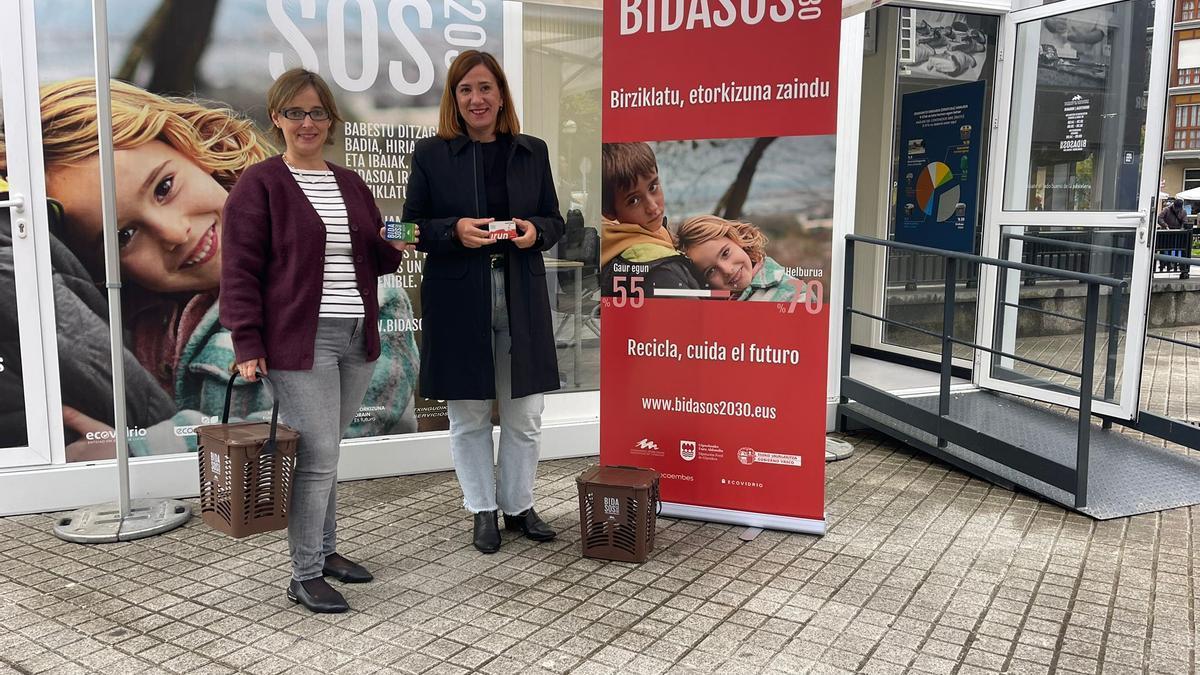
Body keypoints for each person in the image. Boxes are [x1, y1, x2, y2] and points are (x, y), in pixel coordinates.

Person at [11, 78, 419, 460]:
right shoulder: (127, 328)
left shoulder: (363, 292)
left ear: (194, 148)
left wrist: (141, 449)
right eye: (125, 235)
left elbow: (336, 425)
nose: (174, 232)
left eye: (164, 187)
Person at [221, 68, 417, 613]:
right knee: (319, 453)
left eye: (317, 112)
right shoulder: (259, 185)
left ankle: (326, 553)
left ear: (330, 119)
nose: (307, 123)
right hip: (298, 341)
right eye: (295, 112)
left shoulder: (349, 182)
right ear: (277, 119)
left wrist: (406, 233)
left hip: (355, 334)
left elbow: (378, 249)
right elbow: (238, 271)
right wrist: (247, 343)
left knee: (327, 453)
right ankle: (304, 574)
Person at [402, 50, 564, 554]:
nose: (477, 98)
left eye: (485, 88)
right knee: (468, 415)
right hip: (458, 299)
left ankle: (517, 505)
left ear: (501, 95)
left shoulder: (531, 151)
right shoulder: (431, 155)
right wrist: (454, 231)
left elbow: (556, 222)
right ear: (455, 98)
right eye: (466, 89)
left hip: (521, 296)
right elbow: (407, 228)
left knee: (525, 414)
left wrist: (535, 230)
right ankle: (482, 510)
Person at [599, 142, 703, 297]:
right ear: (609, 212)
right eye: (634, 200)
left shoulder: (611, 245)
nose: (653, 207)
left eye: (653, 187)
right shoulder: (660, 271)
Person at [675, 215, 808, 303]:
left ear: (737, 240)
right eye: (711, 271)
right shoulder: (708, 306)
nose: (727, 270)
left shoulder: (794, 294)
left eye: (725, 253)